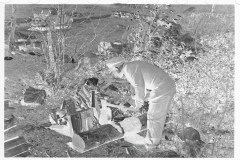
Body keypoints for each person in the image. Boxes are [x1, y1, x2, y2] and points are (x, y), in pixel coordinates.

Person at [106, 57, 176, 149]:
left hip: (162, 87)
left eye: (112, 71)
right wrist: (131, 102)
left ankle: (151, 144)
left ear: (116, 67)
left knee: (154, 116)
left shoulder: (129, 69)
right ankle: (153, 142)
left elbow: (139, 86)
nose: (113, 74)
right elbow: (143, 89)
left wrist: (138, 104)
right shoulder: (131, 67)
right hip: (165, 86)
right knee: (156, 116)